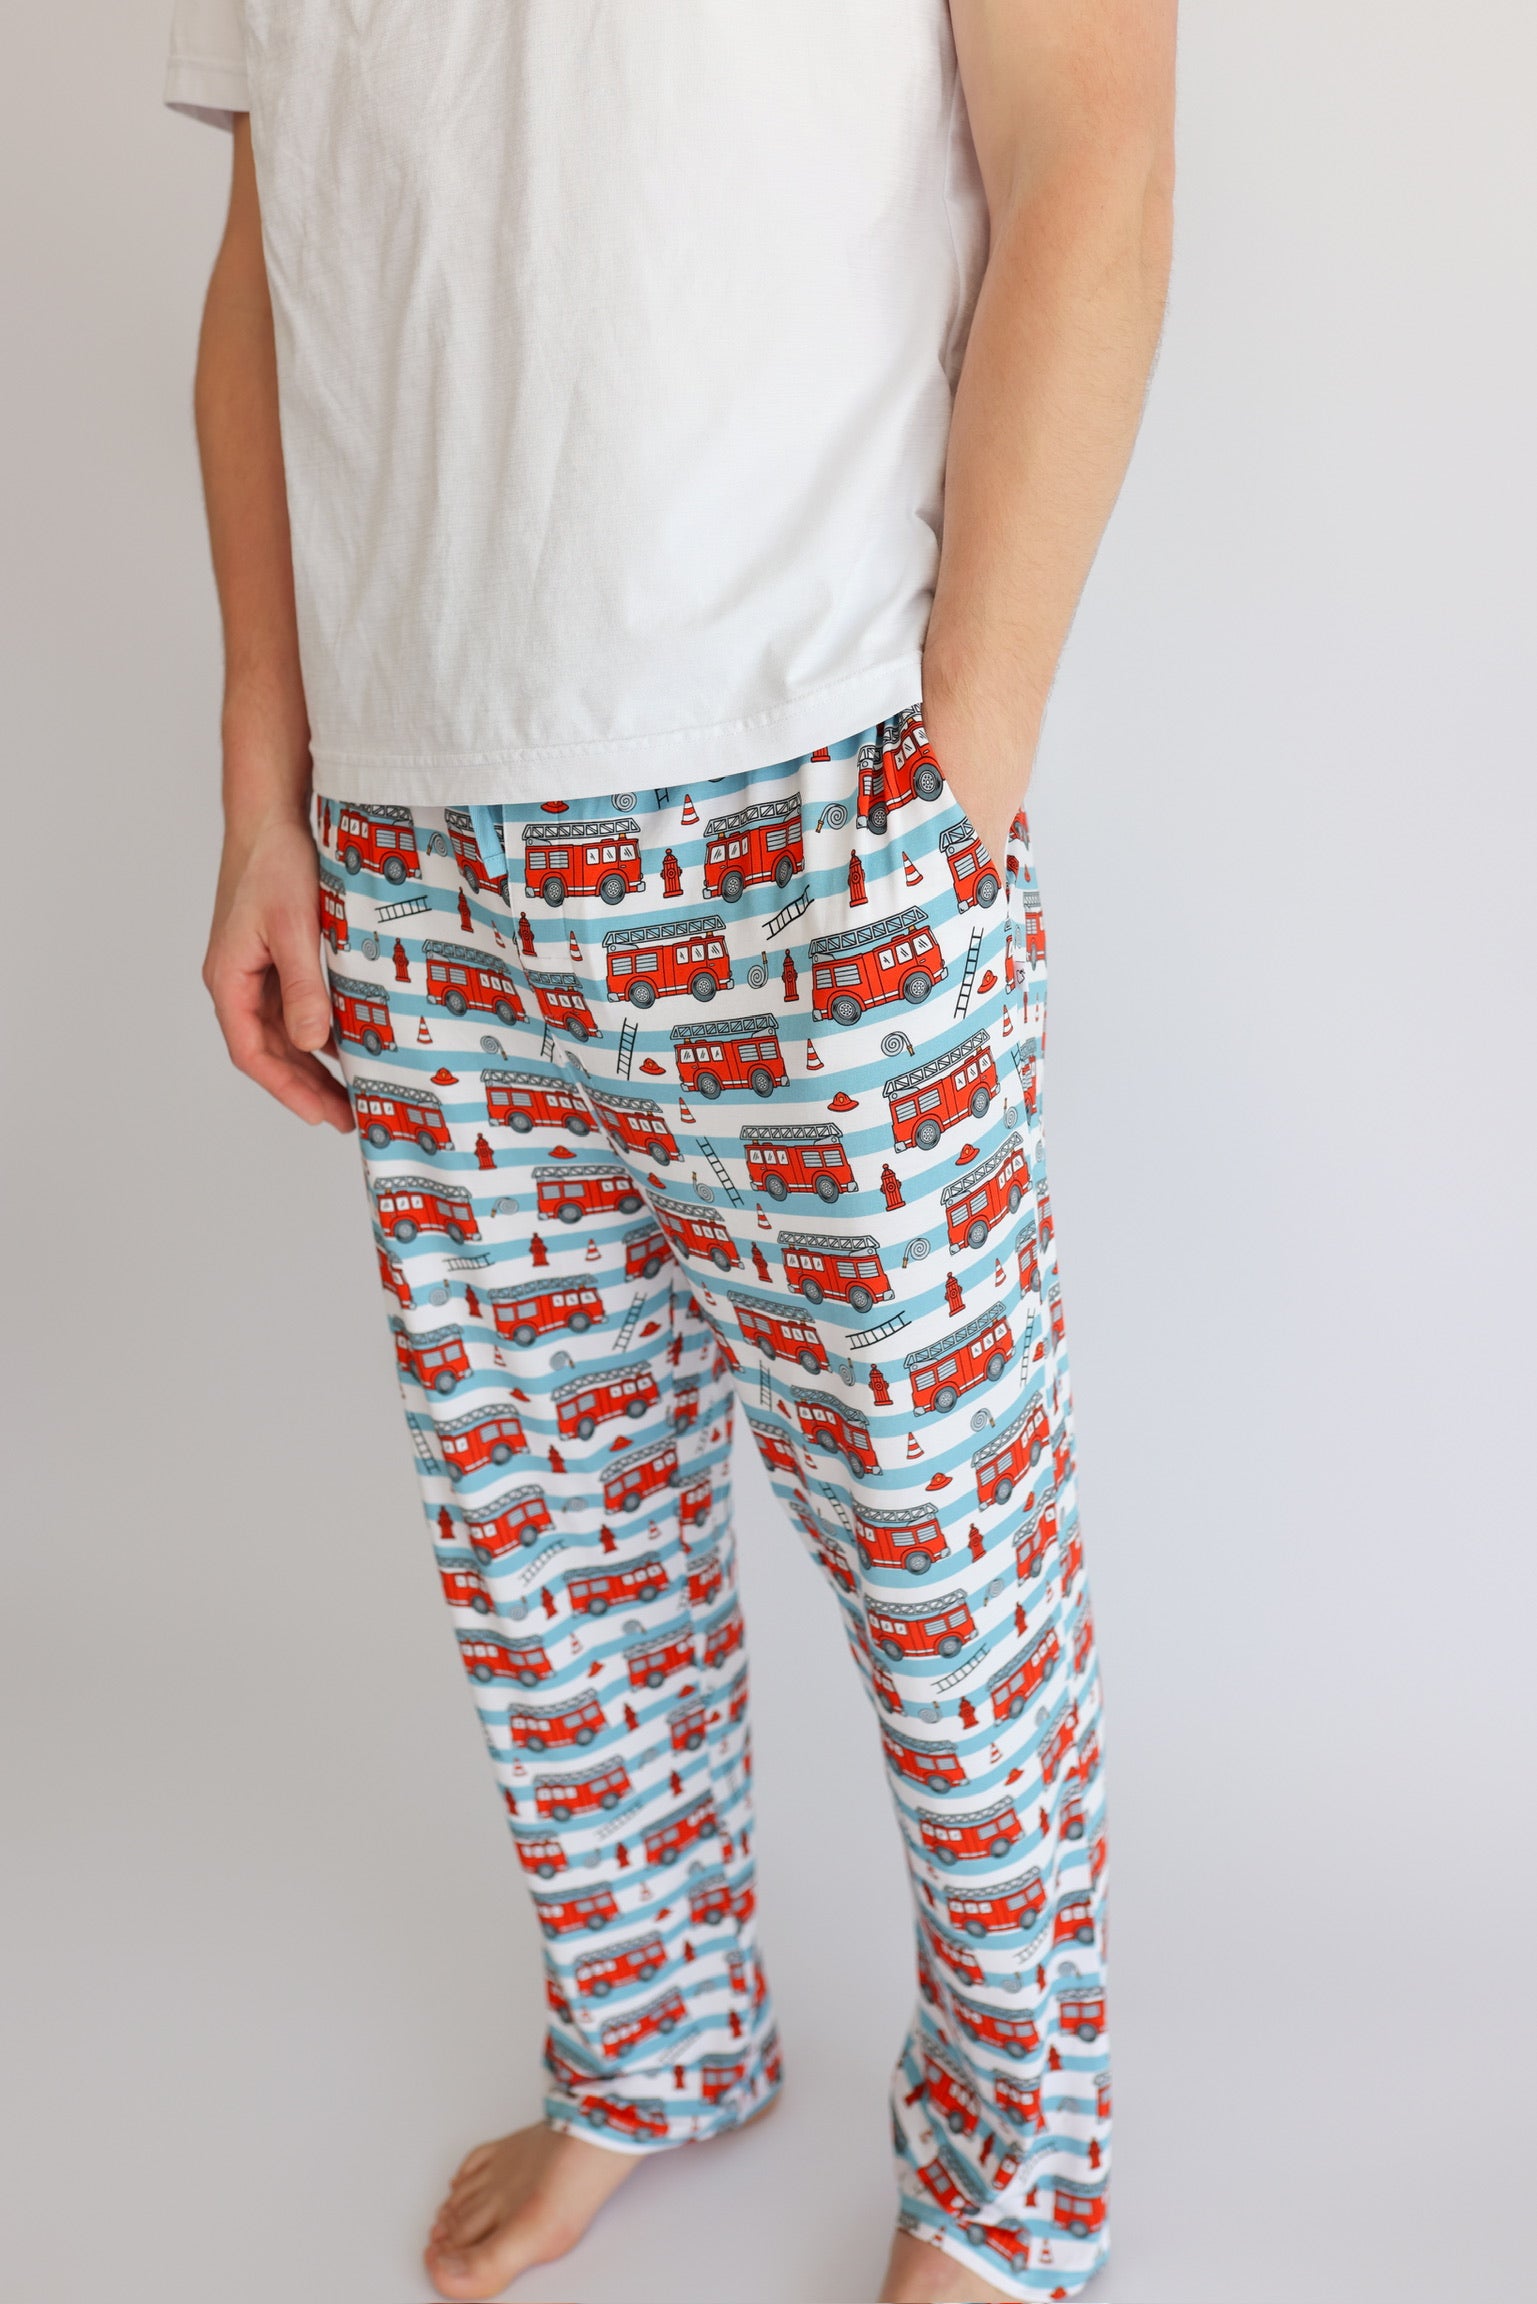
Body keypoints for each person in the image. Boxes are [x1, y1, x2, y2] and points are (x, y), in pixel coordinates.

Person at [166, 3, 1174, 2298]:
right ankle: (655, 2041)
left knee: (947, 1563)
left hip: (815, 796)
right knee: (550, 1557)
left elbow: (1092, 152)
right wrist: (263, 784)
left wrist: (960, 769)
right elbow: (271, 248)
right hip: (416, 837)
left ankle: (1016, 2171)